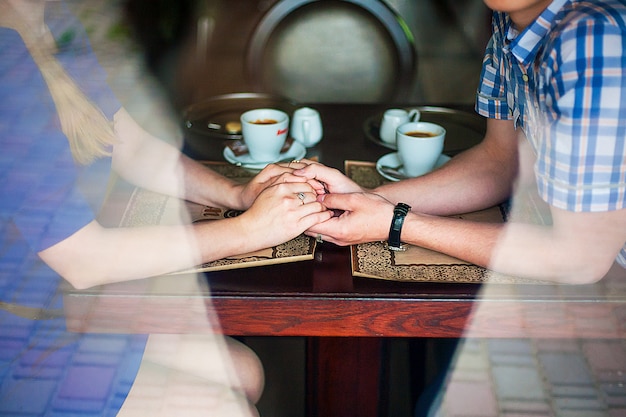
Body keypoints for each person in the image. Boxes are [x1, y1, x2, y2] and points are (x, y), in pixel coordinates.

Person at [0, 1, 329, 415]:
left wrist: (235, 194)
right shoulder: (5, 62)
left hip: (63, 308)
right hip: (20, 334)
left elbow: (130, 145)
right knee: (226, 408)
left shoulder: (53, 18)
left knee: (245, 373)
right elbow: (84, 259)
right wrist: (248, 230)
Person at [296, 0, 626, 285]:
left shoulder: (594, 37)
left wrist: (396, 222)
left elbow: (581, 257)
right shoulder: (510, 19)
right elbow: (499, 161)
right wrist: (366, 199)